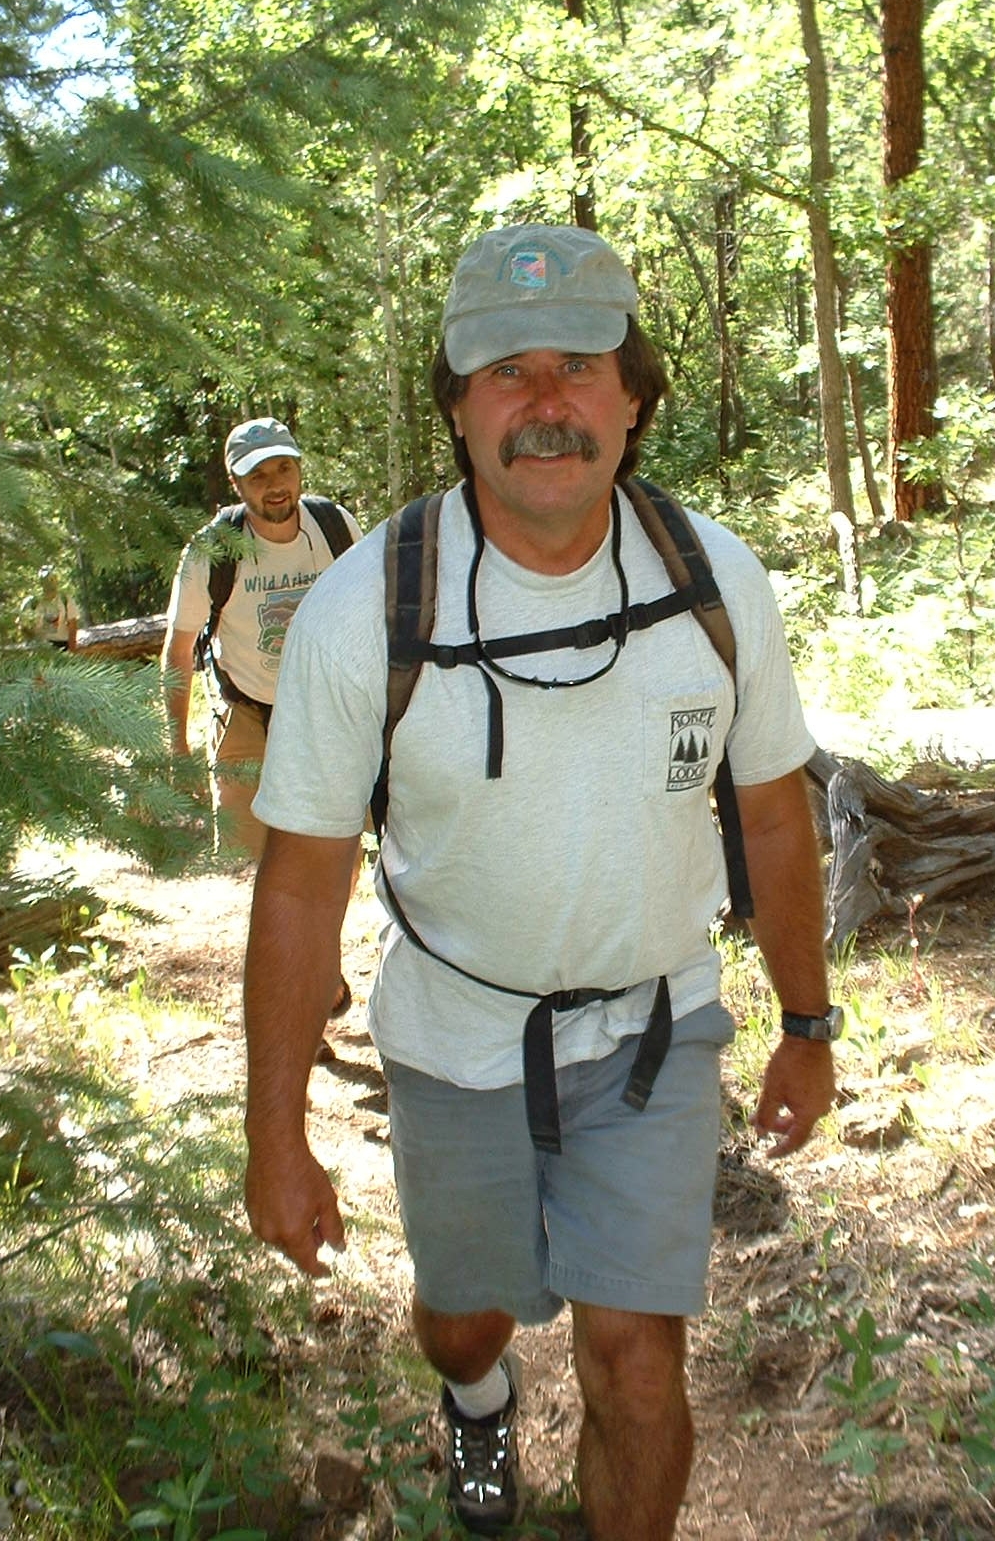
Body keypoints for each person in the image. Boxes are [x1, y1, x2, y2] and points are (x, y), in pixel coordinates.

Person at [242, 225, 838, 1541]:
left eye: (580, 365)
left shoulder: (715, 585)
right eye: (508, 372)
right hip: (456, 1047)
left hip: (653, 1032)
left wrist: (806, 1026)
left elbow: (776, 818)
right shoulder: (368, 610)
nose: (548, 402)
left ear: (636, 395)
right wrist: (275, 1134)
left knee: (637, 1355)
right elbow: (297, 887)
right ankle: (477, 1400)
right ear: (458, 408)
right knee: (463, 1321)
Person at [161, 417, 362, 862]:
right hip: (245, 712)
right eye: (258, 476)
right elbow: (178, 649)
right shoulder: (213, 549)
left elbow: (372, 616)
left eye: (283, 470)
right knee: (250, 856)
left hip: (324, 712)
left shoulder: (336, 528)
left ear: (299, 470)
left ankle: (325, 934)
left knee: (335, 847)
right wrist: (177, 745)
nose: (275, 486)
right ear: (236, 484)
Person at [22, 566, 78, 651]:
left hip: (61, 645)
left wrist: (72, 651)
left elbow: (72, 626)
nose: (49, 583)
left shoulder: (65, 599)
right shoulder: (30, 602)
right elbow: (23, 626)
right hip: (38, 646)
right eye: (45, 580)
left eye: (51, 579)